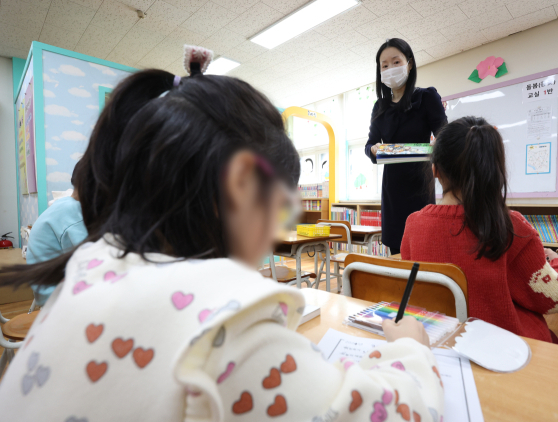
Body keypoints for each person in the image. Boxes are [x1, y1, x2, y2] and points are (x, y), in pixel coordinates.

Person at [0, 47, 444, 422]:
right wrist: (409, 348)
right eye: (282, 204)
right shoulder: (235, 335)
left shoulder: (88, 270)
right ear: (244, 184)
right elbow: (407, 410)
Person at [401, 116, 558, 344]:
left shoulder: (413, 224)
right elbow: (556, 298)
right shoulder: (511, 226)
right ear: (494, 169)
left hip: (442, 346)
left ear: (435, 170)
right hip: (511, 354)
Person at [365, 38, 447, 255]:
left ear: (409, 64)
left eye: (396, 62)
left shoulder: (427, 97)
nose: (390, 69)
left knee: (422, 250)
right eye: (384, 66)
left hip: (420, 186)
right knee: (397, 253)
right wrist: (373, 149)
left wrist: (439, 144)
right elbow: (370, 143)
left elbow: (444, 134)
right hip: (392, 190)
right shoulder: (379, 107)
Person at [26, 164, 88, 306]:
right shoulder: (74, 213)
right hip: (57, 300)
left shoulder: (64, 204)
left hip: (46, 292)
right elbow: (92, 256)